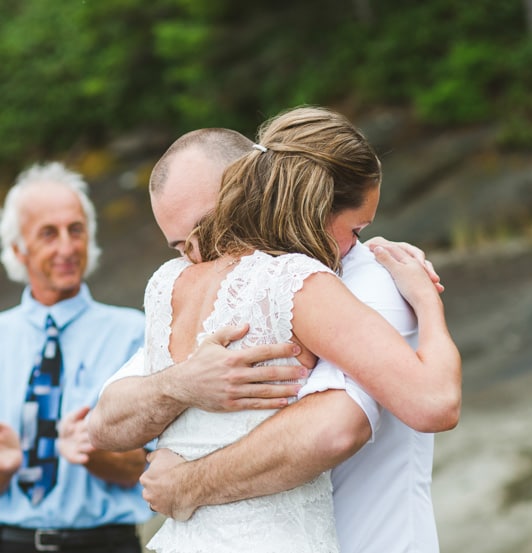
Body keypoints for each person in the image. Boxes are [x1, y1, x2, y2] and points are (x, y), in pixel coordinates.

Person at [89, 107, 461, 553]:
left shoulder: (362, 281)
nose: (199, 253)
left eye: (203, 230)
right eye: (180, 246)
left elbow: (334, 428)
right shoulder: (194, 284)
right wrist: (183, 383)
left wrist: (187, 484)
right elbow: (108, 419)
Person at [0, 162, 152, 553]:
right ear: (18, 247)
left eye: (76, 230)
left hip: (105, 544)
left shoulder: (134, 334)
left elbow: (149, 466)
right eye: (48, 234)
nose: (67, 247)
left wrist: (97, 455)